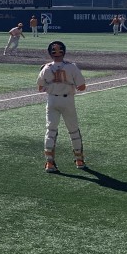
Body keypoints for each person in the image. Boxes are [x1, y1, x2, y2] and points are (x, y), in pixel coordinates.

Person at [37, 40, 87, 173]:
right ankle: (79, 160)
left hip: (52, 100)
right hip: (67, 100)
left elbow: (40, 88)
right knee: (73, 130)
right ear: (64, 52)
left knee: (51, 130)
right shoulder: (72, 67)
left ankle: (49, 162)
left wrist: (52, 86)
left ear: (50, 54)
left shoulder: (46, 68)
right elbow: (82, 87)